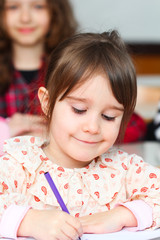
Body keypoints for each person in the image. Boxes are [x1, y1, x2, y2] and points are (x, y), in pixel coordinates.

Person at [0, 30, 160, 240]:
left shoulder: (124, 168)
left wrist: (123, 215)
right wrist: (28, 221)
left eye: (109, 116)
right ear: (47, 103)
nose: (93, 127)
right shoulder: (18, 162)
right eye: (78, 110)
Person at [0, 0, 77, 155]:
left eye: (38, 6)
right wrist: (6, 130)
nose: (25, 18)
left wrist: (61, 135)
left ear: (55, 13)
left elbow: (130, 126)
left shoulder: (74, 69)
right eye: (13, 7)